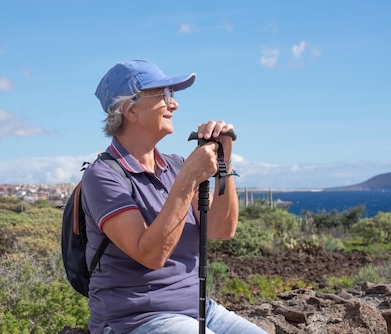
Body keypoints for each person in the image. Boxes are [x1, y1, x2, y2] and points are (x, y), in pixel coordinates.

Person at [81, 60, 270, 334]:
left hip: (199, 308)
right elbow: (151, 255)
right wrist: (188, 179)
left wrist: (223, 163)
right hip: (136, 319)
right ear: (130, 110)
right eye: (164, 95)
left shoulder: (176, 166)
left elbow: (221, 229)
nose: (174, 104)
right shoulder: (104, 176)